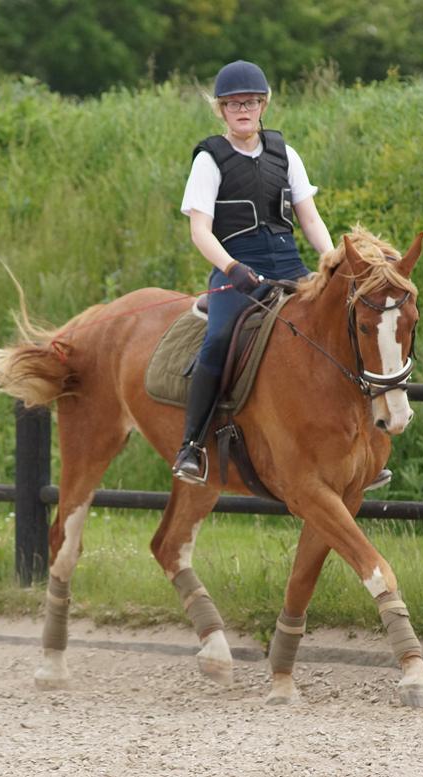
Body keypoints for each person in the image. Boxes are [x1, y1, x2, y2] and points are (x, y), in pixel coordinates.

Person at [172, 59, 392, 492]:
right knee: (218, 339)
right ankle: (192, 446)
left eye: (250, 102)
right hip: (234, 271)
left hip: (289, 267)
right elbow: (200, 230)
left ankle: (365, 442)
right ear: (221, 110)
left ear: (263, 105)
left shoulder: (284, 154)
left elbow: (309, 219)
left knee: (345, 327)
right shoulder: (209, 159)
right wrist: (232, 269)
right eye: (233, 104)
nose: (243, 110)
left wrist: (330, 260)